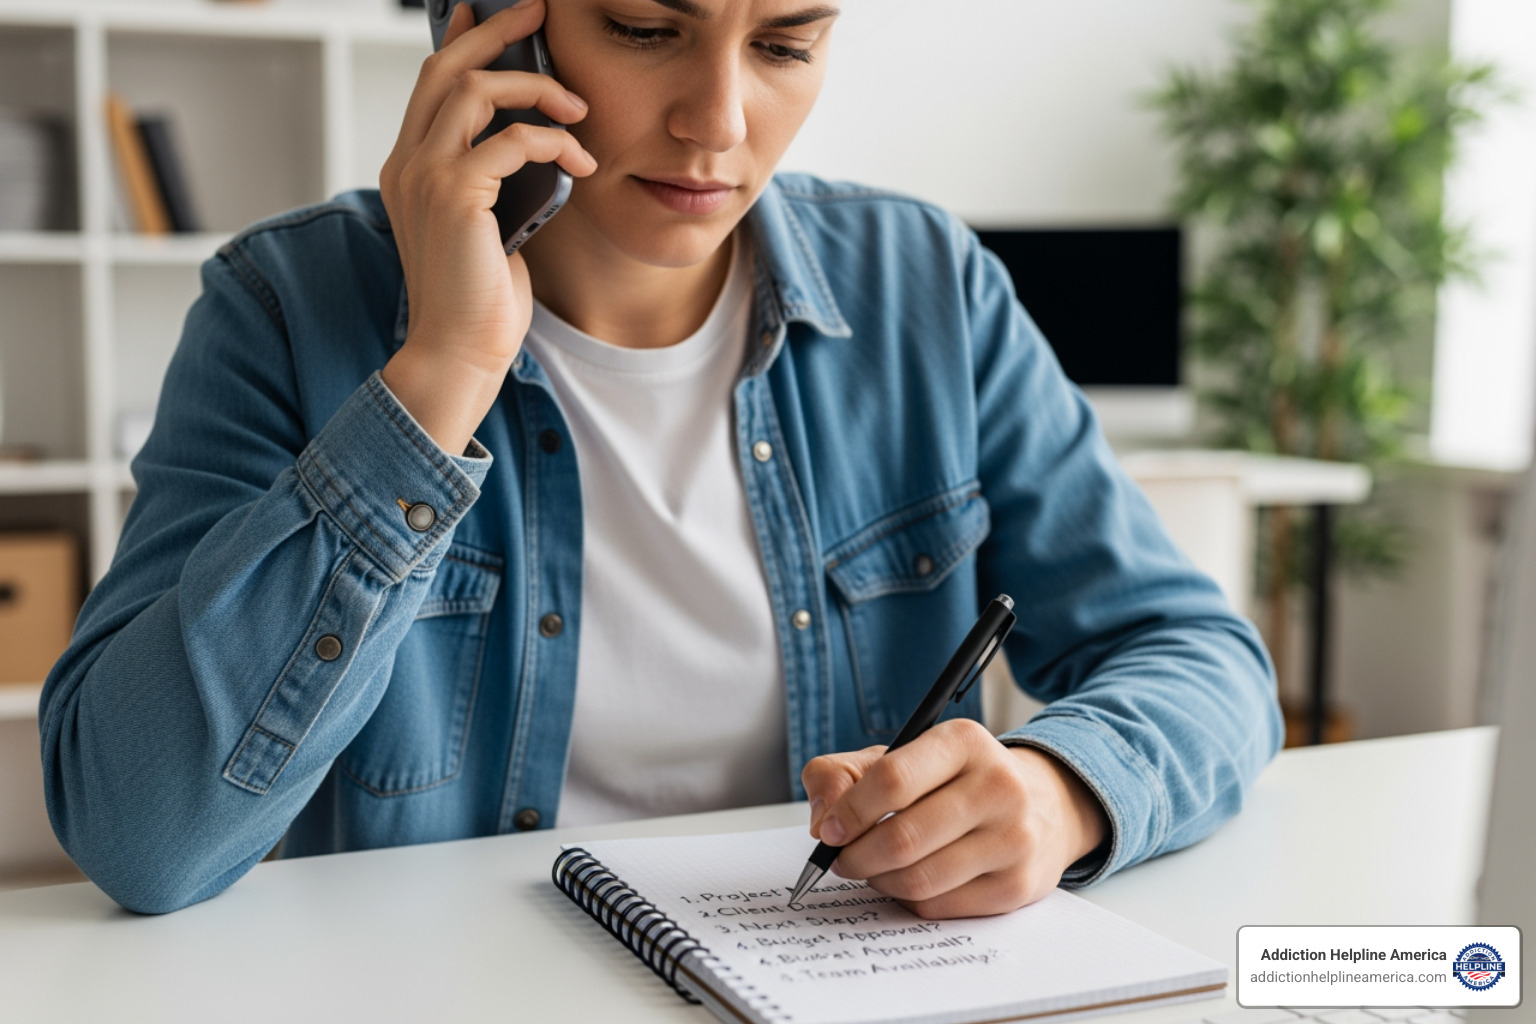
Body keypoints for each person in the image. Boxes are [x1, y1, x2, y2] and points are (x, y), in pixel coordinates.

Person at [40, 0, 1281, 916]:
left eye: (787, 43)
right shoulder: (284, 304)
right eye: (644, 27)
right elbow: (141, 832)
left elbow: (1199, 656)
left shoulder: (927, 289)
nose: (719, 124)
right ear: (486, 33)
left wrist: (1063, 790)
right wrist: (442, 375)